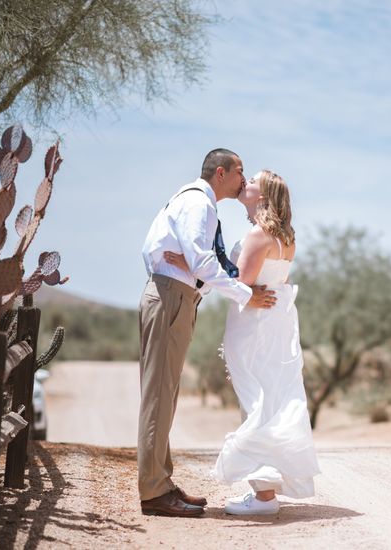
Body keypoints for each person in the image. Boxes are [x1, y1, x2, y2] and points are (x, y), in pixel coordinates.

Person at [165, 170, 320, 516]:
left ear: (262, 196)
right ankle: (266, 490)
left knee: (255, 400)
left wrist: (193, 267)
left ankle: (264, 496)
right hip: (275, 326)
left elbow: (242, 284)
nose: (244, 183)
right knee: (270, 397)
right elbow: (274, 281)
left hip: (252, 327)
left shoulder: (257, 234)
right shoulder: (286, 238)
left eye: (252, 181)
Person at [138, 149, 277, 518]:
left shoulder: (194, 201)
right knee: (159, 394)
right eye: (240, 172)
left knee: (165, 392)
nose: (243, 180)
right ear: (221, 173)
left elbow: (191, 261)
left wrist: (195, 271)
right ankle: (153, 491)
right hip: (171, 296)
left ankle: (161, 483)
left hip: (176, 295)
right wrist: (245, 295)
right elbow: (201, 261)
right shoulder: (200, 204)